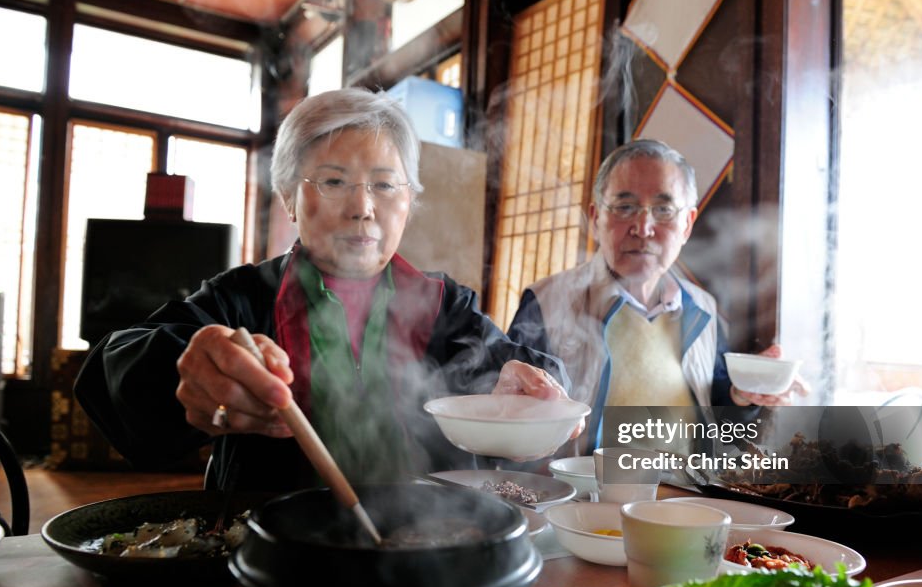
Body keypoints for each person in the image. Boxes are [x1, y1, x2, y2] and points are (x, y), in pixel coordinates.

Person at [74, 87, 579, 492]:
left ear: (409, 202)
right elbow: (108, 371)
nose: (362, 207)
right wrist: (188, 365)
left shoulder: (444, 304)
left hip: (432, 551)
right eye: (334, 182)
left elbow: (522, 370)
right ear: (290, 200)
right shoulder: (244, 298)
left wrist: (538, 389)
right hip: (277, 554)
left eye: (384, 185)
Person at [508, 139, 805, 455]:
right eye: (624, 206)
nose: (643, 227)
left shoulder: (702, 308)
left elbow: (721, 423)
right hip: (583, 499)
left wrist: (745, 395)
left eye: (663, 210)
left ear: (687, 225)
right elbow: (511, 425)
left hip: (685, 499)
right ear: (596, 219)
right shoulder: (546, 301)